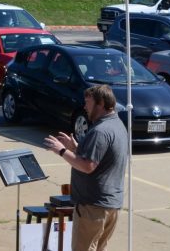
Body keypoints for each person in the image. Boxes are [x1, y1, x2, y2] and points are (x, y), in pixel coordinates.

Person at [43, 84, 129, 251]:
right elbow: (101, 158)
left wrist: (61, 151)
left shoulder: (100, 131)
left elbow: (88, 166)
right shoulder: (117, 125)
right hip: (110, 205)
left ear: (101, 103)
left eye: (88, 102)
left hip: (93, 207)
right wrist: (76, 148)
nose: (84, 106)